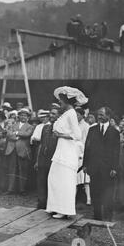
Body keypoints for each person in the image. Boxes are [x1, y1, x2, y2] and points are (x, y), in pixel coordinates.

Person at [46, 87, 87, 219]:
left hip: (67, 151)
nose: (60, 104)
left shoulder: (72, 114)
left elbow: (77, 135)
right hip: (61, 150)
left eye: (61, 102)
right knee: (54, 178)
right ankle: (55, 207)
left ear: (66, 102)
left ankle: (64, 210)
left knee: (64, 181)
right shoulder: (66, 113)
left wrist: (61, 135)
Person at [83, 107, 120, 221]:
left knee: (108, 193)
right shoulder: (92, 130)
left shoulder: (114, 132)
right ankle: (97, 216)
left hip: (108, 168)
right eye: (98, 115)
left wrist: (114, 167)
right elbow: (87, 148)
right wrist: (85, 164)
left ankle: (108, 217)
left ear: (108, 116)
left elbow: (116, 151)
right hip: (94, 167)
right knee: (95, 192)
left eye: (102, 115)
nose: (99, 117)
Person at [5, 108, 34, 195]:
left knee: (23, 169)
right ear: (19, 116)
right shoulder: (13, 125)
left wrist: (16, 133)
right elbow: (8, 134)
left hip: (22, 150)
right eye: (21, 115)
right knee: (12, 169)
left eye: (25, 115)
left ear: (28, 117)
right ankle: (10, 189)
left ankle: (22, 190)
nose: (23, 117)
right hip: (12, 149)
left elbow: (27, 134)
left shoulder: (30, 126)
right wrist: (17, 136)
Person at [35, 107, 59, 209]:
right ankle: (41, 204)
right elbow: (41, 145)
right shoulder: (45, 128)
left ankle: (52, 205)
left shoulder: (60, 129)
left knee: (52, 183)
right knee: (41, 182)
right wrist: (37, 161)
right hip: (42, 160)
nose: (51, 116)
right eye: (51, 114)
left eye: (54, 114)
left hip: (53, 160)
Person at [76, 107, 91, 205]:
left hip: (82, 153)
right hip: (74, 152)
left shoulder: (86, 126)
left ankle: (88, 198)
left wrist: (83, 153)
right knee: (74, 178)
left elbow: (87, 141)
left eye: (78, 115)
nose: (76, 116)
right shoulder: (73, 125)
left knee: (85, 178)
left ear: (82, 115)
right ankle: (73, 198)